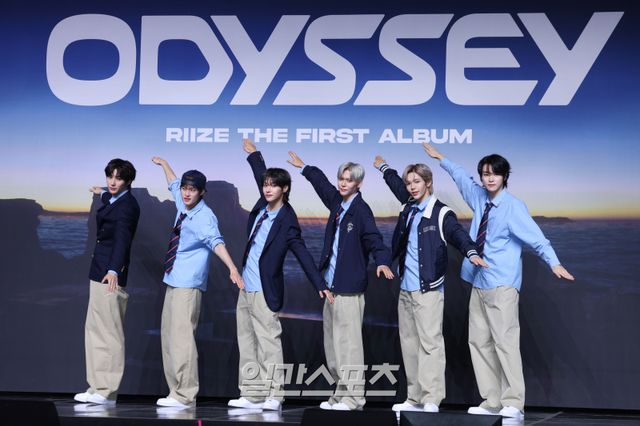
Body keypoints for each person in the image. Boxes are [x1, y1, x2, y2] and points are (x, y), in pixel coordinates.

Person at [423, 144, 574, 421]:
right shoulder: (479, 197)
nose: (489, 178)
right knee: (479, 342)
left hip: (502, 284)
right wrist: (442, 158)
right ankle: (492, 401)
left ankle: (513, 402)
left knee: (505, 343)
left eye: (495, 174)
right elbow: (461, 178)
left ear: (505, 176)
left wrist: (554, 263)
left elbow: (537, 239)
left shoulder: (513, 207)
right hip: (478, 281)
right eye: (485, 174)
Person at [373, 155, 488, 414]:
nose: (412, 186)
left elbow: (458, 234)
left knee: (430, 344)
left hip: (429, 289)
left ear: (428, 182)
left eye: (417, 181)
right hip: (406, 288)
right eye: (409, 182)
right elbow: (396, 185)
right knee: (409, 343)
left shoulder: (441, 212)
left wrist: (471, 252)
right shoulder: (409, 206)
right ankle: (414, 397)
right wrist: (384, 168)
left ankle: (431, 398)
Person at [228, 139, 334, 411]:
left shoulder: (287, 219)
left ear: (284, 189)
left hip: (265, 289)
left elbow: (301, 251)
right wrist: (254, 154)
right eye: (266, 184)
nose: (267, 188)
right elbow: (259, 175)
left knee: (268, 343)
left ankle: (275, 395)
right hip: (245, 287)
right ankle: (252, 394)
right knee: (247, 342)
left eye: (274, 185)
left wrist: (318, 282)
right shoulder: (261, 206)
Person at [287, 151, 394, 411]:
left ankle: (354, 398)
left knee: (349, 348)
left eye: (349, 180)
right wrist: (305, 167)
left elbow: (375, 239)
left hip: (349, 291)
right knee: (332, 347)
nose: (343, 183)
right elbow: (322, 185)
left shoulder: (361, 210)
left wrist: (382, 261)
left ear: (359, 183)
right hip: (331, 289)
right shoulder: (337, 203)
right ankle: (339, 394)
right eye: (341, 179)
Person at [151, 157, 244, 408]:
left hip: (189, 283)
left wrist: (232, 268)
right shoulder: (182, 202)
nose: (186, 193)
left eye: (192, 190)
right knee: (169, 336)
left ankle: (185, 395)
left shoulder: (205, 216)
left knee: (182, 338)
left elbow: (216, 242)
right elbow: (173, 183)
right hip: (173, 278)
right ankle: (175, 391)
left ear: (202, 192)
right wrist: (164, 164)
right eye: (185, 188)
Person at [74, 159, 140, 406]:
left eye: (118, 178)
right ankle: (96, 386)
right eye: (110, 176)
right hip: (98, 271)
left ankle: (107, 391)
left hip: (109, 275)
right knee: (94, 331)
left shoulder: (127, 206)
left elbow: (123, 240)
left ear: (128, 181)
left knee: (109, 333)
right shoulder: (114, 199)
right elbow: (109, 200)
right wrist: (99, 192)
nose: (112, 182)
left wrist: (114, 270)